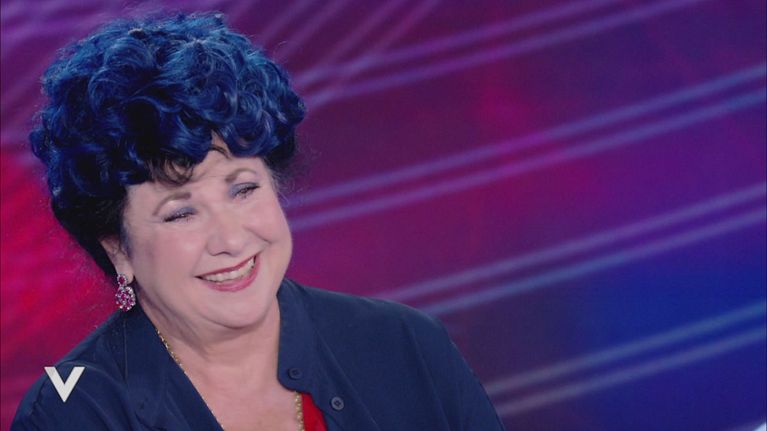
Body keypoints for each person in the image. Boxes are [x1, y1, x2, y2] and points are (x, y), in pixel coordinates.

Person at [11, 12, 506, 431]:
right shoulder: (72, 412)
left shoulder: (406, 345)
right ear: (118, 247)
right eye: (181, 212)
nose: (230, 239)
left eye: (243, 189)